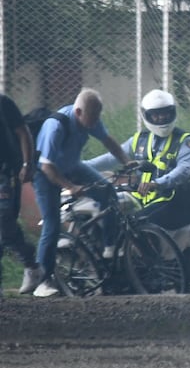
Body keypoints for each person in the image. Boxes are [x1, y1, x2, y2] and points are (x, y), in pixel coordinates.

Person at [32, 88, 132, 297]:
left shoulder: (91, 118)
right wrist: (70, 186)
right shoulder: (55, 126)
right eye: (92, 117)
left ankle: (109, 247)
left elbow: (108, 141)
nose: (95, 122)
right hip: (46, 174)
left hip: (72, 166)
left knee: (107, 191)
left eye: (97, 117)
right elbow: (46, 166)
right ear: (78, 112)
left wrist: (126, 161)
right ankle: (42, 280)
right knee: (52, 224)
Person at [86, 89, 190, 231]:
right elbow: (111, 158)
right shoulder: (140, 139)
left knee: (136, 224)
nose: (161, 118)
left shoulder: (185, 141)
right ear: (146, 115)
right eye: (156, 115)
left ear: (173, 112)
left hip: (175, 201)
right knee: (106, 214)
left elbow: (183, 171)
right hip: (145, 199)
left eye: (165, 113)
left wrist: (156, 183)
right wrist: (79, 167)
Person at [0, 93, 44, 298]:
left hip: (7, 172)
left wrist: (27, 164)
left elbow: (23, 132)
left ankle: (31, 264)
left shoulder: (3, 103)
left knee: (4, 221)